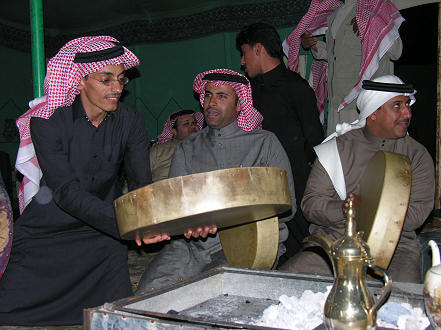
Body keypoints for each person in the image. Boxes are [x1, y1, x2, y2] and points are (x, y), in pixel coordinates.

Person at [0, 36, 171, 326]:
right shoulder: (47, 122)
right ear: (79, 81)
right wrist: (124, 224)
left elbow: (142, 184)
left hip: (102, 236)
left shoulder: (131, 121)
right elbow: (65, 192)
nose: (117, 88)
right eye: (106, 79)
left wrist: (145, 222)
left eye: (121, 79)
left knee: (111, 314)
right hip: (49, 231)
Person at [136, 68, 296, 293]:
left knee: (209, 294)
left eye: (222, 96)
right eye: (208, 95)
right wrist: (190, 224)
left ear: (240, 105)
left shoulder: (265, 143)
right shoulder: (187, 148)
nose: (211, 102)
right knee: (150, 292)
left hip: (251, 244)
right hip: (191, 246)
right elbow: (174, 208)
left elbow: (288, 207)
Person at [280, 75, 435, 283]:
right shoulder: (336, 150)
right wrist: (344, 209)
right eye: (397, 106)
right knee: (285, 283)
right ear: (373, 112)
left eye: (407, 105)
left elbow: (418, 212)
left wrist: (370, 210)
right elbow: (311, 204)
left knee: (403, 302)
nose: (407, 113)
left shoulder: (416, 154)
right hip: (336, 241)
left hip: (397, 246)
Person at [236, 22, 324, 262]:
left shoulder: (296, 87)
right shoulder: (247, 91)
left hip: (293, 184)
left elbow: (314, 140)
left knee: (302, 249)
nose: (242, 62)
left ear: (258, 49)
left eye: (244, 54)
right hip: (257, 186)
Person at [285, 0, 403, 136]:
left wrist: (373, 24)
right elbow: (335, 56)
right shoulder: (335, 15)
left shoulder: (376, 9)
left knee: (363, 155)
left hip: (362, 106)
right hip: (336, 104)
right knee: (338, 154)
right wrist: (314, 45)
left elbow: (396, 52)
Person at [150, 109, 204, 182]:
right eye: (186, 124)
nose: (193, 127)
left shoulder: (207, 147)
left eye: (194, 123)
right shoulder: (158, 150)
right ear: (174, 132)